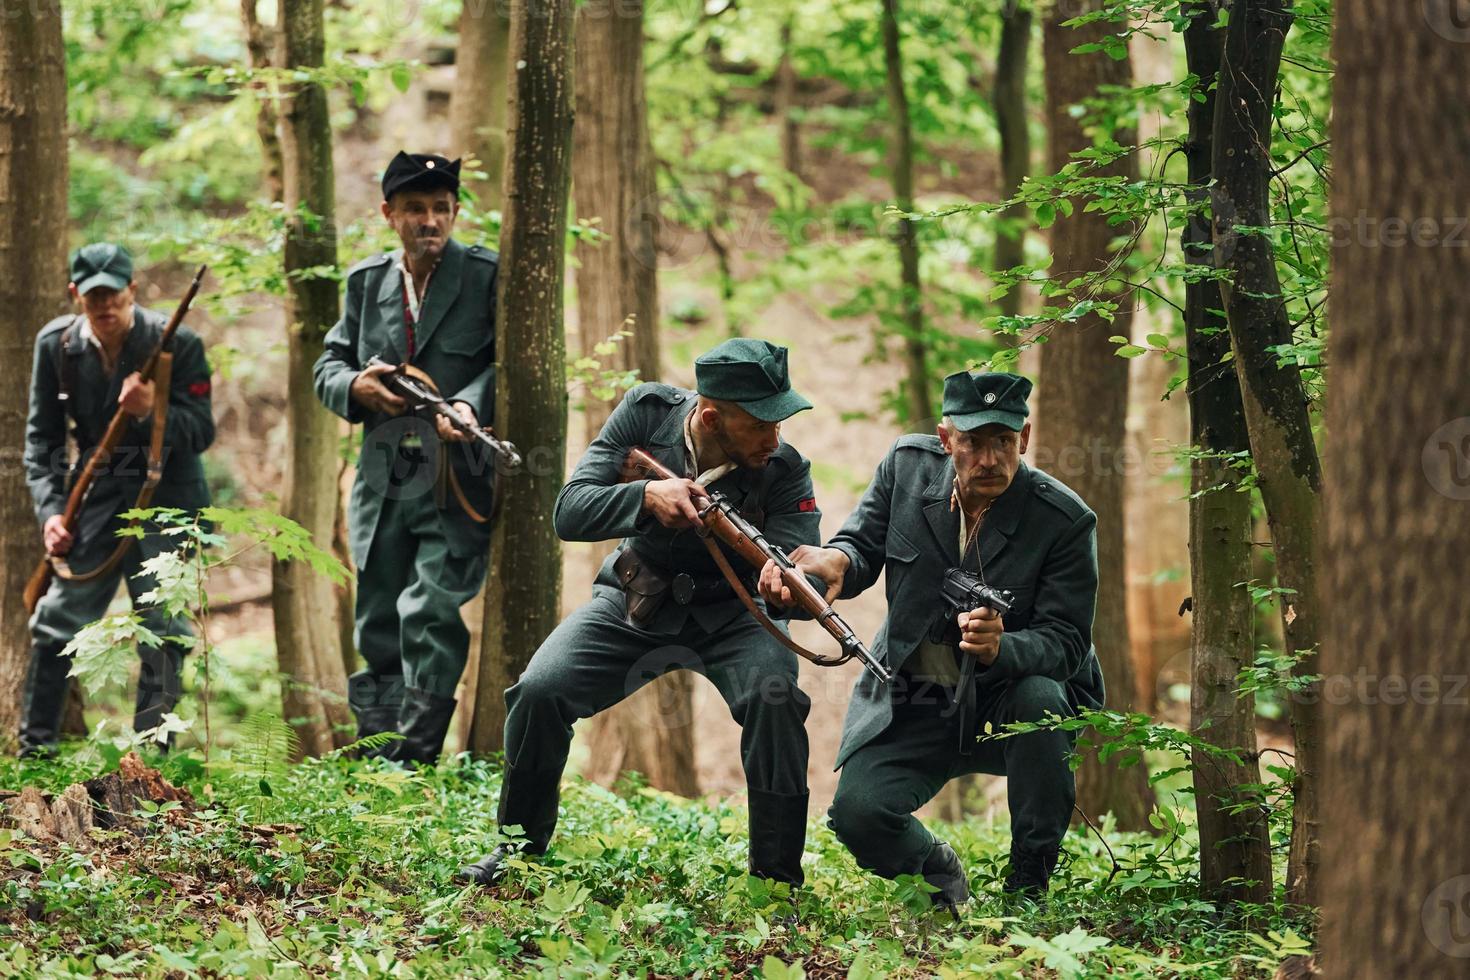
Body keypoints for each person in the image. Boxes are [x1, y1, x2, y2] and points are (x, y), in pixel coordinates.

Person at [456, 338, 819, 888]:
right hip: (636, 597)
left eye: (779, 422)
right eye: (760, 424)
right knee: (539, 691)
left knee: (778, 702)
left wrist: (786, 584)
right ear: (712, 416)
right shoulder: (645, 415)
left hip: (737, 616)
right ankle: (516, 853)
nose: (775, 437)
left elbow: (801, 558)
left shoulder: (785, 467)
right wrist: (646, 496)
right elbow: (570, 510)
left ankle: (777, 882)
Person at [759, 370, 1105, 906]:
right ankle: (937, 871)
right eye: (972, 443)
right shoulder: (906, 468)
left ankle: (1028, 887)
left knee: (1040, 696)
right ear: (947, 441)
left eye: (1003, 442)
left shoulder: (1063, 519)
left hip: (1008, 694)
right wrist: (835, 560)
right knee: (858, 815)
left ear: (1025, 440)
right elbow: (860, 546)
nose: (988, 459)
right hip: (917, 692)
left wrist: (1002, 646)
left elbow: (1067, 643)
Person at [314, 151, 501, 765]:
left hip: (456, 477)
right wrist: (355, 388)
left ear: (455, 212)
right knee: (377, 614)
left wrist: (469, 407)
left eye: (441, 208)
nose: (430, 220)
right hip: (382, 474)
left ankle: (414, 762)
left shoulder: (485, 274)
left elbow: (510, 362)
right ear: (389, 214)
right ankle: (375, 756)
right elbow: (329, 365)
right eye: (416, 209)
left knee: (431, 609)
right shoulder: (366, 282)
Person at [19, 243, 215, 758]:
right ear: (76, 295)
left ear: (133, 290)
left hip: (169, 499)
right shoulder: (56, 345)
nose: (106, 306)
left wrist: (153, 412)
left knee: (165, 629)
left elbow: (202, 432)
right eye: (94, 296)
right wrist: (50, 515)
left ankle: (153, 760)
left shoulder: (178, 343)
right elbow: (41, 442)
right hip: (97, 496)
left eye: (115, 294)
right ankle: (34, 753)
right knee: (58, 619)